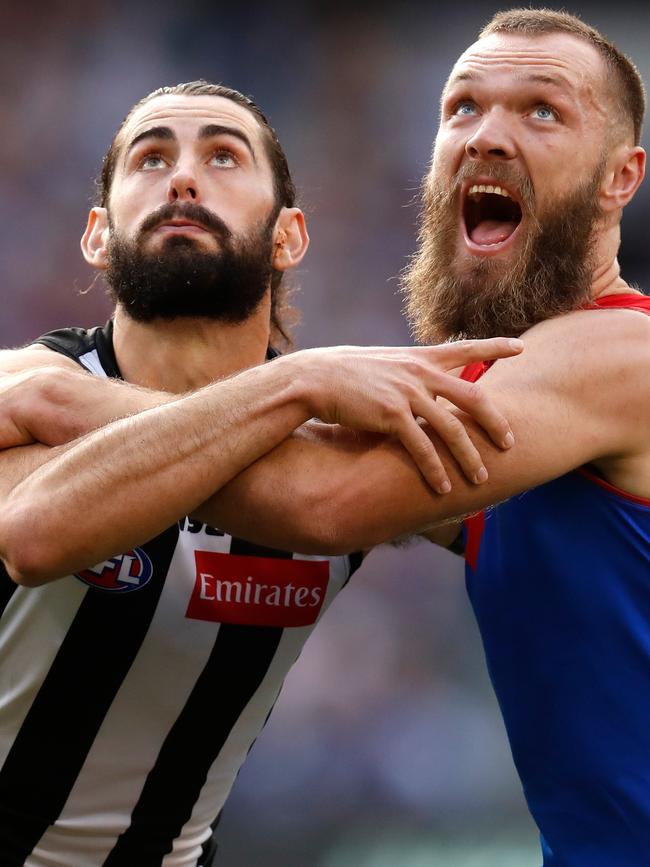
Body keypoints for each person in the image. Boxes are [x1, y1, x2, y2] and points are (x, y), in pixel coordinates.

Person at [8, 9, 650, 866]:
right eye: (461, 107)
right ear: (94, 232)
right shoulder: (27, 382)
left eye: (542, 110)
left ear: (622, 177)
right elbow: (34, 532)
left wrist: (69, 401)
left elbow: (320, 498)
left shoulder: (620, 355)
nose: (487, 136)